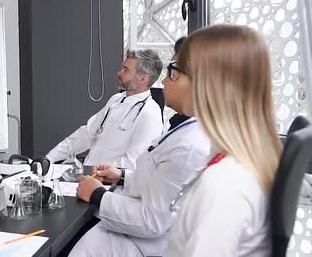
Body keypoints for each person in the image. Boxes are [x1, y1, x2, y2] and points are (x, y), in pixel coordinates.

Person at [70, 43, 210, 256]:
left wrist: (97, 195)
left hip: (141, 243)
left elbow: (151, 221)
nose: (163, 81)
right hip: (120, 209)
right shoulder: (183, 129)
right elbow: (158, 180)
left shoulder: (189, 145)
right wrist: (122, 175)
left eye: (172, 73)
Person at [165, 24, 282, 256]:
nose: (168, 80)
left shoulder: (224, 186)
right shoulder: (243, 163)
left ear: (206, 84)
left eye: (175, 70)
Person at [46, 49, 164, 169]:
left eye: (126, 70)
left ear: (143, 79)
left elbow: (134, 162)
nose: (119, 72)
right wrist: (49, 158)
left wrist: (94, 172)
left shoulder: (150, 113)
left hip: (111, 183)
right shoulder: (116, 99)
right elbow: (86, 134)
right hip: (90, 175)